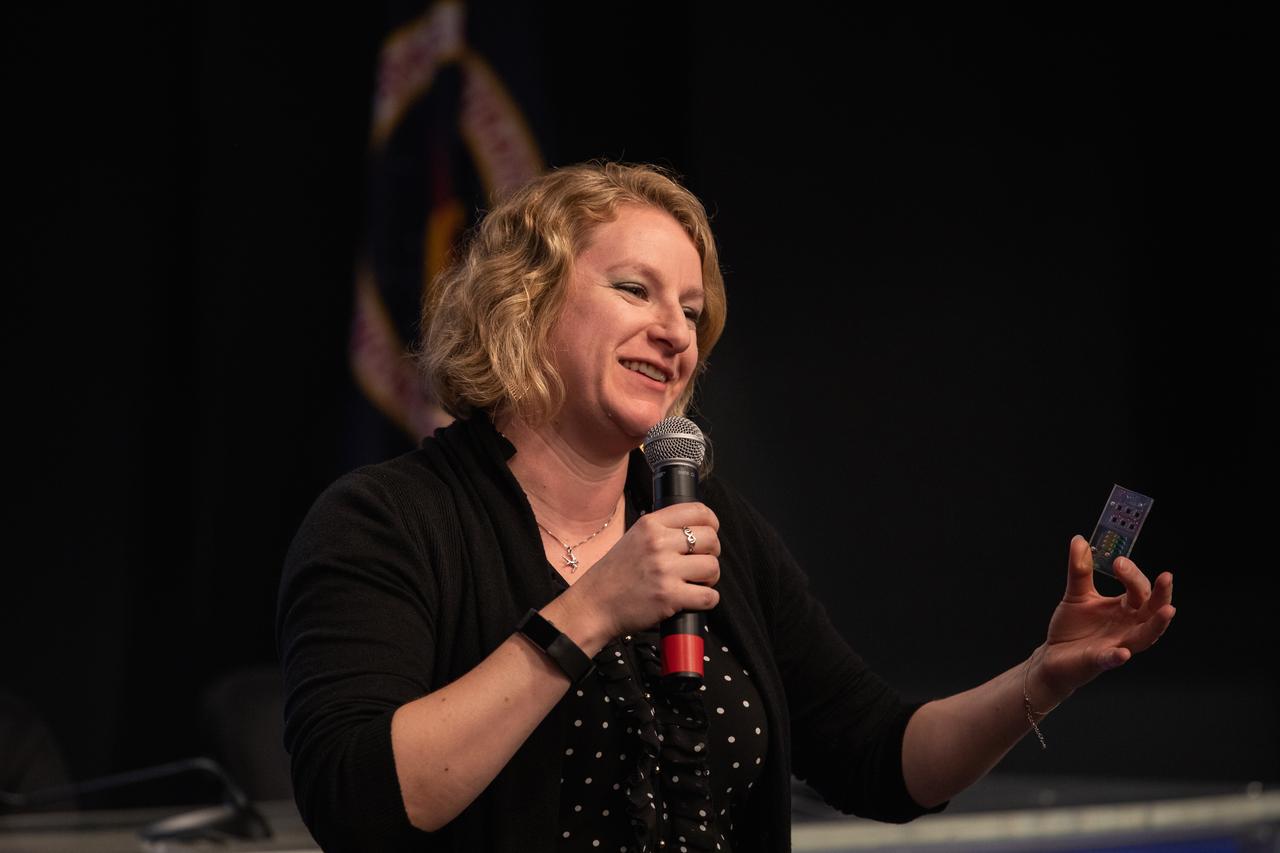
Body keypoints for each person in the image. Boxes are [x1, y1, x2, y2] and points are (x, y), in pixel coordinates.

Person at [276, 163, 1175, 853]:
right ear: (525, 301)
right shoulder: (388, 521)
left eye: (692, 310)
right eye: (635, 289)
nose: (675, 331)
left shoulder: (717, 528)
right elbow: (361, 803)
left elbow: (881, 755)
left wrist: (1039, 678)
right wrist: (590, 610)